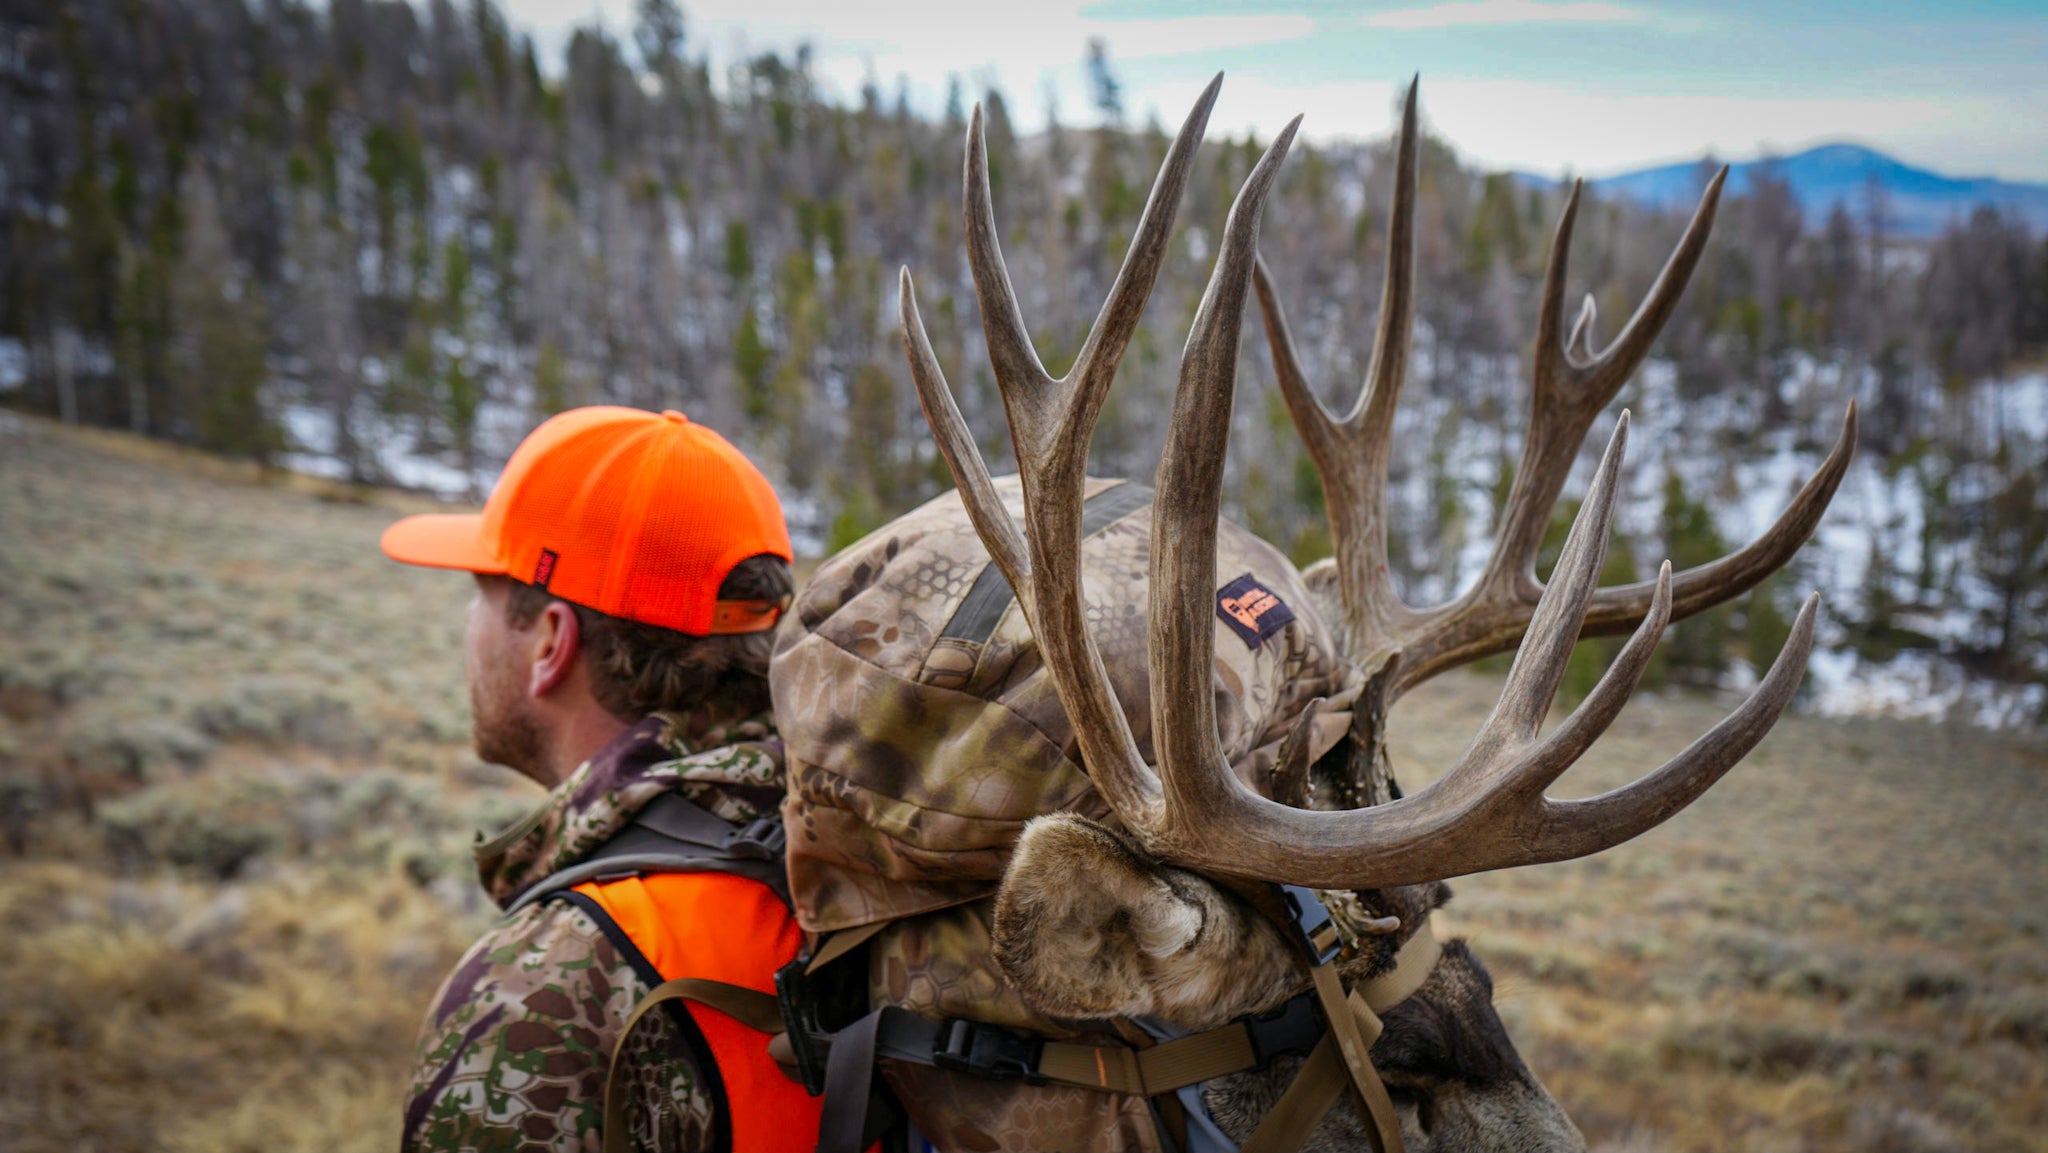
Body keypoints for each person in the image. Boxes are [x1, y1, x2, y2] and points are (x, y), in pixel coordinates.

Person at [383, 406, 813, 1152]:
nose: (468, 628)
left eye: (481, 594)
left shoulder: (546, 990)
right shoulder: (859, 836)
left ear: (552, 641)